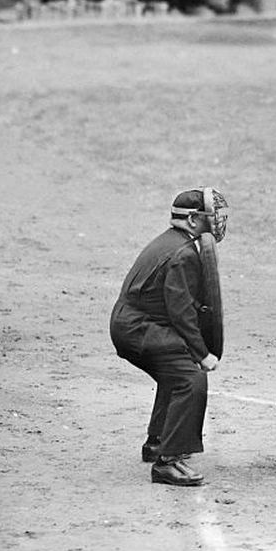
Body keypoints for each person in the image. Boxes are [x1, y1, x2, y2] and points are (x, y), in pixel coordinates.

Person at [110, 188, 231, 487]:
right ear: (192, 220)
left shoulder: (172, 242)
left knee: (175, 367)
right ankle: (169, 462)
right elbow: (181, 312)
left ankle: (158, 440)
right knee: (189, 378)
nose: (216, 222)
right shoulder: (183, 253)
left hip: (131, 323)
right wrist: (202, 353)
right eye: (210, 217)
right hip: (138, 329)